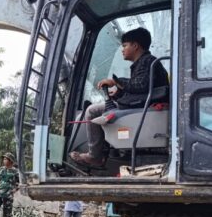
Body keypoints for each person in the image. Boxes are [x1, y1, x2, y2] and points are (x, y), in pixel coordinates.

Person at [70, 27, 169, 169]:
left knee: (92, 111)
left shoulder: (147, 61)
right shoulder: (143, 63)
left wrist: (116, 81)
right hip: (141, 106)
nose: (122, 50)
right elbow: (141, 91)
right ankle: (103, 152)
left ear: (135, 46)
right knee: (98, 110)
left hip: (144, 109)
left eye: (124, 45)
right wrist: (118, 94)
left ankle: (95, 156)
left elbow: (140, 85)